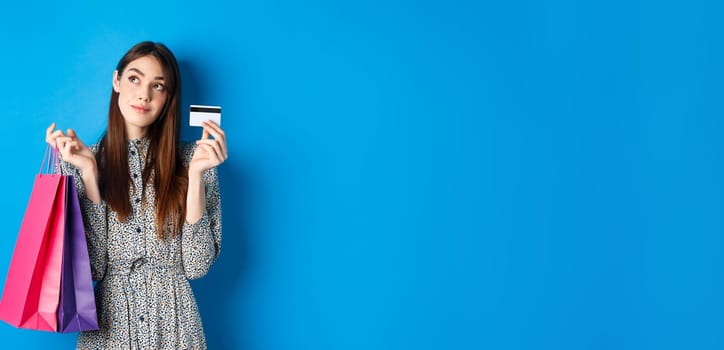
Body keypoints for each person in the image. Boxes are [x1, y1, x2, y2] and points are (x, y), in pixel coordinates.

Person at [45, 41, 226, 349]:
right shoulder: (82, 160)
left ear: (168, 98)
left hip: (175, 329)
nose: (144, 94)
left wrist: (195, 176)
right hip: (108, 330)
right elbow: (94, 269)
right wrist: (89, 174)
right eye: (134, 78)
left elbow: (196, 266)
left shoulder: (195, 161)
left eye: (158, 86)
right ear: (117, 81)